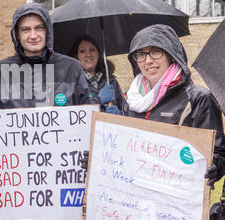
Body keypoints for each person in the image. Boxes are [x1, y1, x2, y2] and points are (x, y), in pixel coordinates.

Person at [0, 2, 92, 220]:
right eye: (26, 29)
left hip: (63, 182)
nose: (33, 35)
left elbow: (88, 120)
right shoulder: (0, 71)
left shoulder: (72, 68)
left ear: (48, 31)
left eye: (39, 28)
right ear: (16, 34)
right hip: (17, 183)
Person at [125, 24, 225, 191]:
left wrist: (215, 166)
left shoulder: (197, 98)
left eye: (156, 51)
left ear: (171, 55)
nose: (148, 60)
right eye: (141, 54)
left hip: (178, 198)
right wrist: (96, 156)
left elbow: (218, 152)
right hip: (139, 198)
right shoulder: (129, 100)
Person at [69, 34, 125, 114]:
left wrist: (119, 114)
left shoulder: (111, 81)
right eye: (82, 51)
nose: (88, 55)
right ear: (76, 57)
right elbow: (73, 116)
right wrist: (99, 100)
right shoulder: (72, 84)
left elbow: (125, 110)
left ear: (98, 54)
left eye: (92, 50)